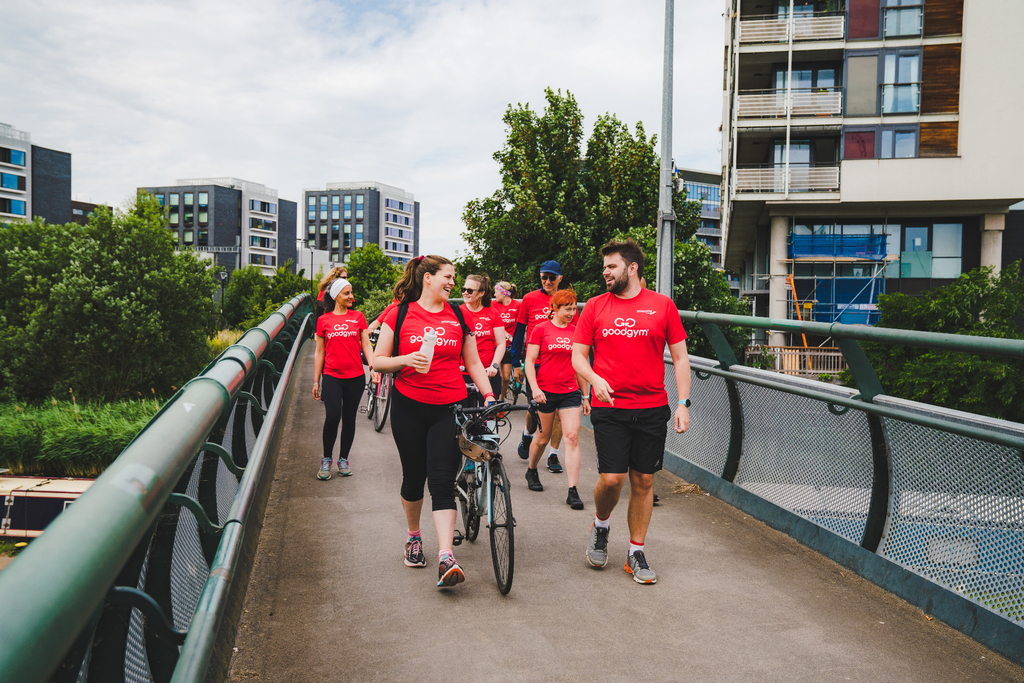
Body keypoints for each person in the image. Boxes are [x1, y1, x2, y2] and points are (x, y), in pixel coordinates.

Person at [571, 239, 691, 585]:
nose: (605, 272)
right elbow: (578, 355)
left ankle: (635, 552)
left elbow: (681, 357)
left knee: (644, 481)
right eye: (604, 267)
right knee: (612, 479)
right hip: (611, 407)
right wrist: (594, 378)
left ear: (632, 268)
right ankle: (601, 524)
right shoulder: (594, 307)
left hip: (652, 407)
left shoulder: (662, 306)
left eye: (611, 267)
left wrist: (683, 402)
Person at [372, 255, 496, 588]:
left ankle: (446, 557)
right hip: (409, 407)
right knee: (414, 479)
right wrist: (405, 359)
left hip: (448, 408)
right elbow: (378, 361)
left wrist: (488, 397)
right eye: (448, 276)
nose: (453, 283)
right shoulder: (399, 314)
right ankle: (414, 536)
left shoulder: (457, 316)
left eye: (454, 277)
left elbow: (473, 362)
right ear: (427, 278)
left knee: (441, 481)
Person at [523, 289, 590, 510]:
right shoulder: (541, 330)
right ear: (555, 308)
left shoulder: (577, 332)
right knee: (542, 439)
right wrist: (534, 388)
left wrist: (586, 396)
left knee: (571, 437)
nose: (572, 312)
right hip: (545, 392)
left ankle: (572, 490)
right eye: (567, 308)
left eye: (574, 308)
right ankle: (531, 470)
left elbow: (581, 367)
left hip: (570, 391)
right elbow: (530, 361)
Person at [511, 260, 575, 472]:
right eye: (543, 277)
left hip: (560, 363)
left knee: (558, 412)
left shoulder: (566, 300)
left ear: (560, 278)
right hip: (535, 363)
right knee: (535, 408)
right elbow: (519, 332)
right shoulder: (529, 299)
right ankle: (528, 435)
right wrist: (515, 363)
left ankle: (553, 454)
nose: (547, 281)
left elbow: (573, 331)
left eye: (551, 277)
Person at [312, 278, 375, 480]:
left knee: (349, 419)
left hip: (355, 377)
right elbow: (319, 352)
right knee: (332, 416)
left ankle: (343, 459)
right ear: (336, 296)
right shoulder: (323, 320)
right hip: (332, 376)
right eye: (347, 293)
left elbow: (366, 345)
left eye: (351, 292)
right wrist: (316, 380)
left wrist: (374, 367)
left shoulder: (358, 317)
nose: (351, 296)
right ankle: (326, 459)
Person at [460, 273, 506, 402]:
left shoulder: (492, 313)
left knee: (490, 414)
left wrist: (495, 366)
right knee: (463, 416)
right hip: (463, 372)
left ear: (481, 293)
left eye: (470, 290)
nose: (465, 293)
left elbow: (501, 343)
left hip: (487, 371)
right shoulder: (458, 312)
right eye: (464, 289)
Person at [491, 281, 520, 401]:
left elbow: (521, 324)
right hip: (496, 344)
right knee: (498, 375)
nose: (494, 294)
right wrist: (507, 335)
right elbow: (492, 323)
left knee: (506, 377)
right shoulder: (493, 304)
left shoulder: (517, 306)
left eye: (496, 292)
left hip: (510, 346)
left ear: (504, 293)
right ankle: (496, 397)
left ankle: (501, 397)